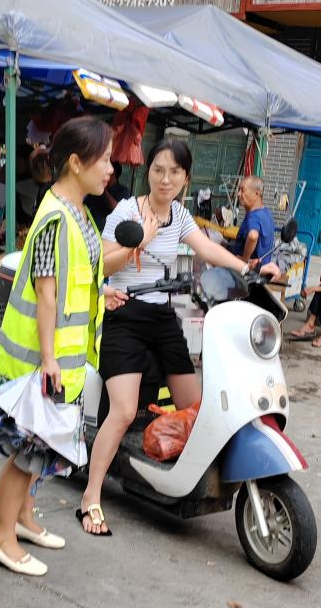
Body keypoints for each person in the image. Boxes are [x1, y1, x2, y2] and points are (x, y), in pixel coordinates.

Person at [79, 139, 279, 536]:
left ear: (186, 178)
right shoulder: (125, 211)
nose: (165, 179)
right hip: (124, 313)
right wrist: (140, 240)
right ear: (147, 172)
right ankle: (91, 497)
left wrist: (249, 269)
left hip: (161, 316)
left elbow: (208, 248)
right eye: (158, 169)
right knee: (122, 411)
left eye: (174, 172)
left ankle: (173, 476)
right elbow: (101, 262)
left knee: (195, 406)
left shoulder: (181, 216)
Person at [0, 117, 114, 575]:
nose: (111, 168)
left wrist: (102, 293)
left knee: (42, 447)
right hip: (41, 361)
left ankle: (23, 518)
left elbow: (78, 279)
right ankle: (1, 537)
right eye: (106, 158)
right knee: (27, 451)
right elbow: (47, 289)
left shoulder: (77, 210)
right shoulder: (56, 216)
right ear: (76, 163)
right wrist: (50, 359)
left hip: (64, 361)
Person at [232, 176, 276, 265]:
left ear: (257, 193)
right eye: (238, 190)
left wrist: (244, 259)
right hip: (263, 264)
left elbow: (253, 236)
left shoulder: (254, 216)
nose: (239, 194)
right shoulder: (266, 212)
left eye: (243, 190)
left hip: (250, 270)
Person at [84, 161, 132, 233]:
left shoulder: (123, 190)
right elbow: (84, 205)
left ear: (113, 172)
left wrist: (103, 189)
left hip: (109, 232)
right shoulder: (95, 189)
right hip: (92, 230)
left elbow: (116, 209)